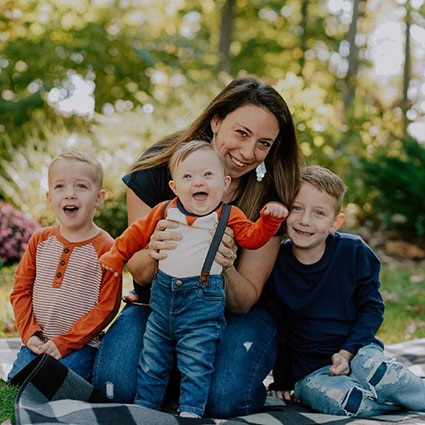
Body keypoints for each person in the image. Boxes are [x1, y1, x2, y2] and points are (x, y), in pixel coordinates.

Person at [92, 76, 300, 418]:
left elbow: (244, 301)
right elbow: (139, 274)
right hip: (158, 306)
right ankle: (178, 369)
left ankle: (185, 375)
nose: (248, 153)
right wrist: (154, 250)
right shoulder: (161, 168)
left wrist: (226, 265)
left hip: (227, 315)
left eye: (264, 143)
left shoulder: (268, 194)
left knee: (225, 400)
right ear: (216, 121)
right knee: (117, 386)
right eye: (241, 133)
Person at [267, 165, 425, 416]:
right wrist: (283, 381)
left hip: (358, 351)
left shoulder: (353, 252)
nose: (305, 220)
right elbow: (279, 327)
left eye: (319, 212)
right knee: (342, 401)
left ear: (335, 223)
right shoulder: (275, 262)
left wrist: (347, 352)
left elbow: (371, 308)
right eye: (297, 208)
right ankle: (389, 404)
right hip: (312, 371)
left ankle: (415, 393)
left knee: (383, 373)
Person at [8, 151, 122, 382]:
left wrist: (65, 343)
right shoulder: (40, 240)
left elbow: (107, 306)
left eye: (81, 186)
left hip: (79, 345)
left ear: (99, 198)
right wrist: (29, 334)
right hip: (38, 341)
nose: (70, 194)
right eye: (60, 187)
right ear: (50, 198)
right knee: (18, 380)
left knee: (59, 384)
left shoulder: (107, 247)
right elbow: (20, 290)